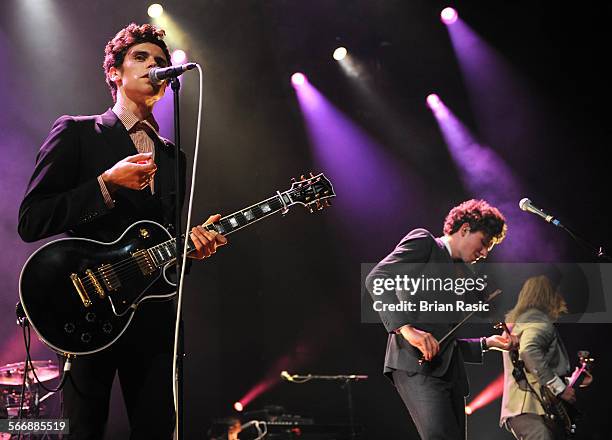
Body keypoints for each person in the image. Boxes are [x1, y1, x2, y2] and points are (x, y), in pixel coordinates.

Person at [17, 23, 227, 439]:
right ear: (114, 72)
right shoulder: (77, 132)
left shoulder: (174, 158)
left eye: (162, 62)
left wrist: (189, 249)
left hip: (150, 318)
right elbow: (32, 220)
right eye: (142, 58)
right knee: (84, 428)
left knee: (157, 428)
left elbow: (159, 241)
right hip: (85, 306)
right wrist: (105, 184)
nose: (155, 66)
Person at [365, 199, 514, 440]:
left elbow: (444, 339)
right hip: (415, 364)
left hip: (449, 373)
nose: (485, 253)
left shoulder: (460, 273)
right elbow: (377, 278)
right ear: (465, 229)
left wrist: (488, 343)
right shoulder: (425, 242)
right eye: (484, 243)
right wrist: (406, 329)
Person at [500, 275, 584, 440]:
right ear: (550, 297)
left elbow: (531, 371)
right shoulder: (539, 322)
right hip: (531, 408)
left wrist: (571, 381)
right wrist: (560, 389)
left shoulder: (519, 323)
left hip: (523, 410)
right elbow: (529, 351)